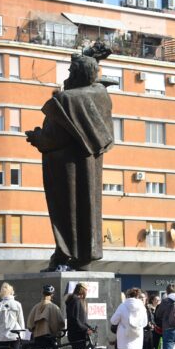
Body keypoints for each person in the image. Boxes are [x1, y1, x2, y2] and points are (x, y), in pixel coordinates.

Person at [25, 47, 114, 271]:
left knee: (67, 213)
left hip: (66, 168)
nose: (67, 75)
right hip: (90, 167)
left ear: (76, 75)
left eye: (71, 71)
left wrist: (37, 138)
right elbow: (93, 82)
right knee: (88, 209)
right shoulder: (100, 95)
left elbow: (54, 137)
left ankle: (65, 254)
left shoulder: (66, 100)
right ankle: (82, 256)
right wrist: (90, 58)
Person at [26, 284, 66, 349]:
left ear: (42, 294)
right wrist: (56, 330)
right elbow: (60, 323)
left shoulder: (36, 307)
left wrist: (35, 329)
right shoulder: (53, 307)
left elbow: (30, 324)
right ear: (52, 295)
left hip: (37, 337)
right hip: (48, 337)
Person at [65, 283, 90, 349]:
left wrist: (89, 327)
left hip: (79, 333)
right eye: (86, 290)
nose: (87, 292)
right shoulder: (75, 300)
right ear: (82, 290)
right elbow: (75, 319)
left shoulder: (76, 300)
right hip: (77, 334)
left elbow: (81, 319)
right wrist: (85, 329)